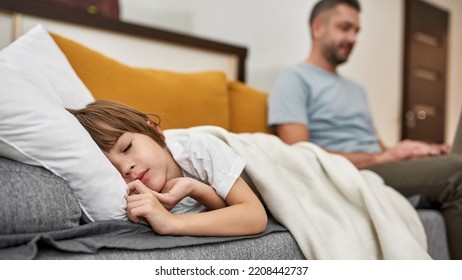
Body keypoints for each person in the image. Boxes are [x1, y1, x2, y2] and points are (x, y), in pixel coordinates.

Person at [268, 0, 462, 259]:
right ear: (318, 28)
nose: (353, 38)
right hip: (350, 173)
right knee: (457, 172)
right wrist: (381, 158)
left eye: (356, 31)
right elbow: (298, 155)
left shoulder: (356, 90)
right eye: (345, 27)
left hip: (378, 165)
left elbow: (379, 147)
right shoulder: (294, 79)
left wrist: (410, 152)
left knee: (450, 161)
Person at [69, 100, 267, 236]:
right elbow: (229, 214)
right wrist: (196, 189)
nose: (126, 168)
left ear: (155, 130)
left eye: (127, 147)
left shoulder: (196, 149)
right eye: (112, 168)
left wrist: (171, 223)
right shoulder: (132, 195)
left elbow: (254, 216)